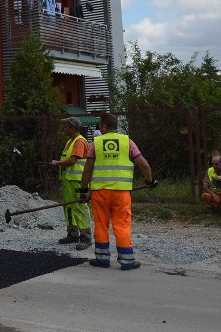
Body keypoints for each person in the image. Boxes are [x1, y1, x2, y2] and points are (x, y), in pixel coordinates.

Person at [79, 113, 156, 270]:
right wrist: (149, 181)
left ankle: (102, 259)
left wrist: (84, 189)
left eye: (100, 125)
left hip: (100, 192)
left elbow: (87, 169)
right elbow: (145, 165)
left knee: (101, 224)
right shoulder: (127, 142)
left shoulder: (96, 143)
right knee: (122, 225)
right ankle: (127, 261)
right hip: (121, 193)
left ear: (104, 126)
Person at [50, 117, 92, 250]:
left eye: (66, 127)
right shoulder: (70, 141)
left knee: (79, 207)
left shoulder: (79, 142)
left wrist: (57, 163)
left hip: (77, 180)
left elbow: (73, 160)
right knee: (68, 207)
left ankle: (86, 237)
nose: (64, 129)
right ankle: (72, 233)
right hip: (69, 180)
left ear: (73, 128)